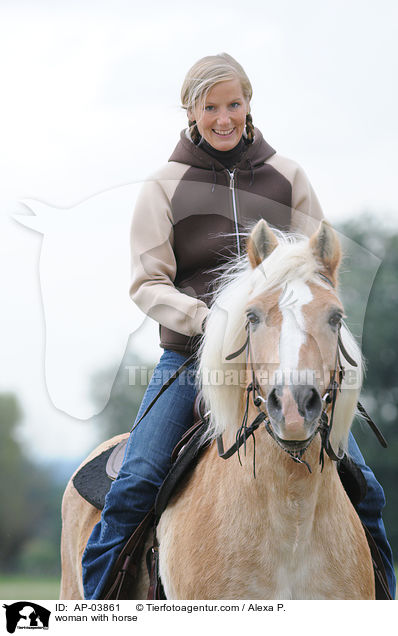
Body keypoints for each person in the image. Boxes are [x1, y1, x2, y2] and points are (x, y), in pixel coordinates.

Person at [82, 53, 395, 600]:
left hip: (287, 358)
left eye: (234, 103)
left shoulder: (289, 176)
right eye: (210, 107)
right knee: (133, 485)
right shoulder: (163, 186)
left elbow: (319, 269)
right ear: (190, 111)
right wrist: (210, 319)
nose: (223, 117)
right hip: (189, 357)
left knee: (364, 488)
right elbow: (146, 283)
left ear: (249, 105)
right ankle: (96, 616)